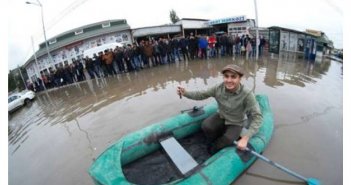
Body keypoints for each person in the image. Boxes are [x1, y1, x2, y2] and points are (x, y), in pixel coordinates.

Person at [177, 64, 262, 152]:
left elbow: (258, 117)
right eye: (226, 76)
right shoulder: (218, 88)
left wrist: (245, 138)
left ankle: (215, 148)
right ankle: (212, 140)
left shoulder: (247, 94)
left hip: (236, 122)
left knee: (228, 139)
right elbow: (201, 94)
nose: (229, 80)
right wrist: (185, 93)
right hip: (222, 116)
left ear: (240, 78)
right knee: (206, 126)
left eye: (233, 77)